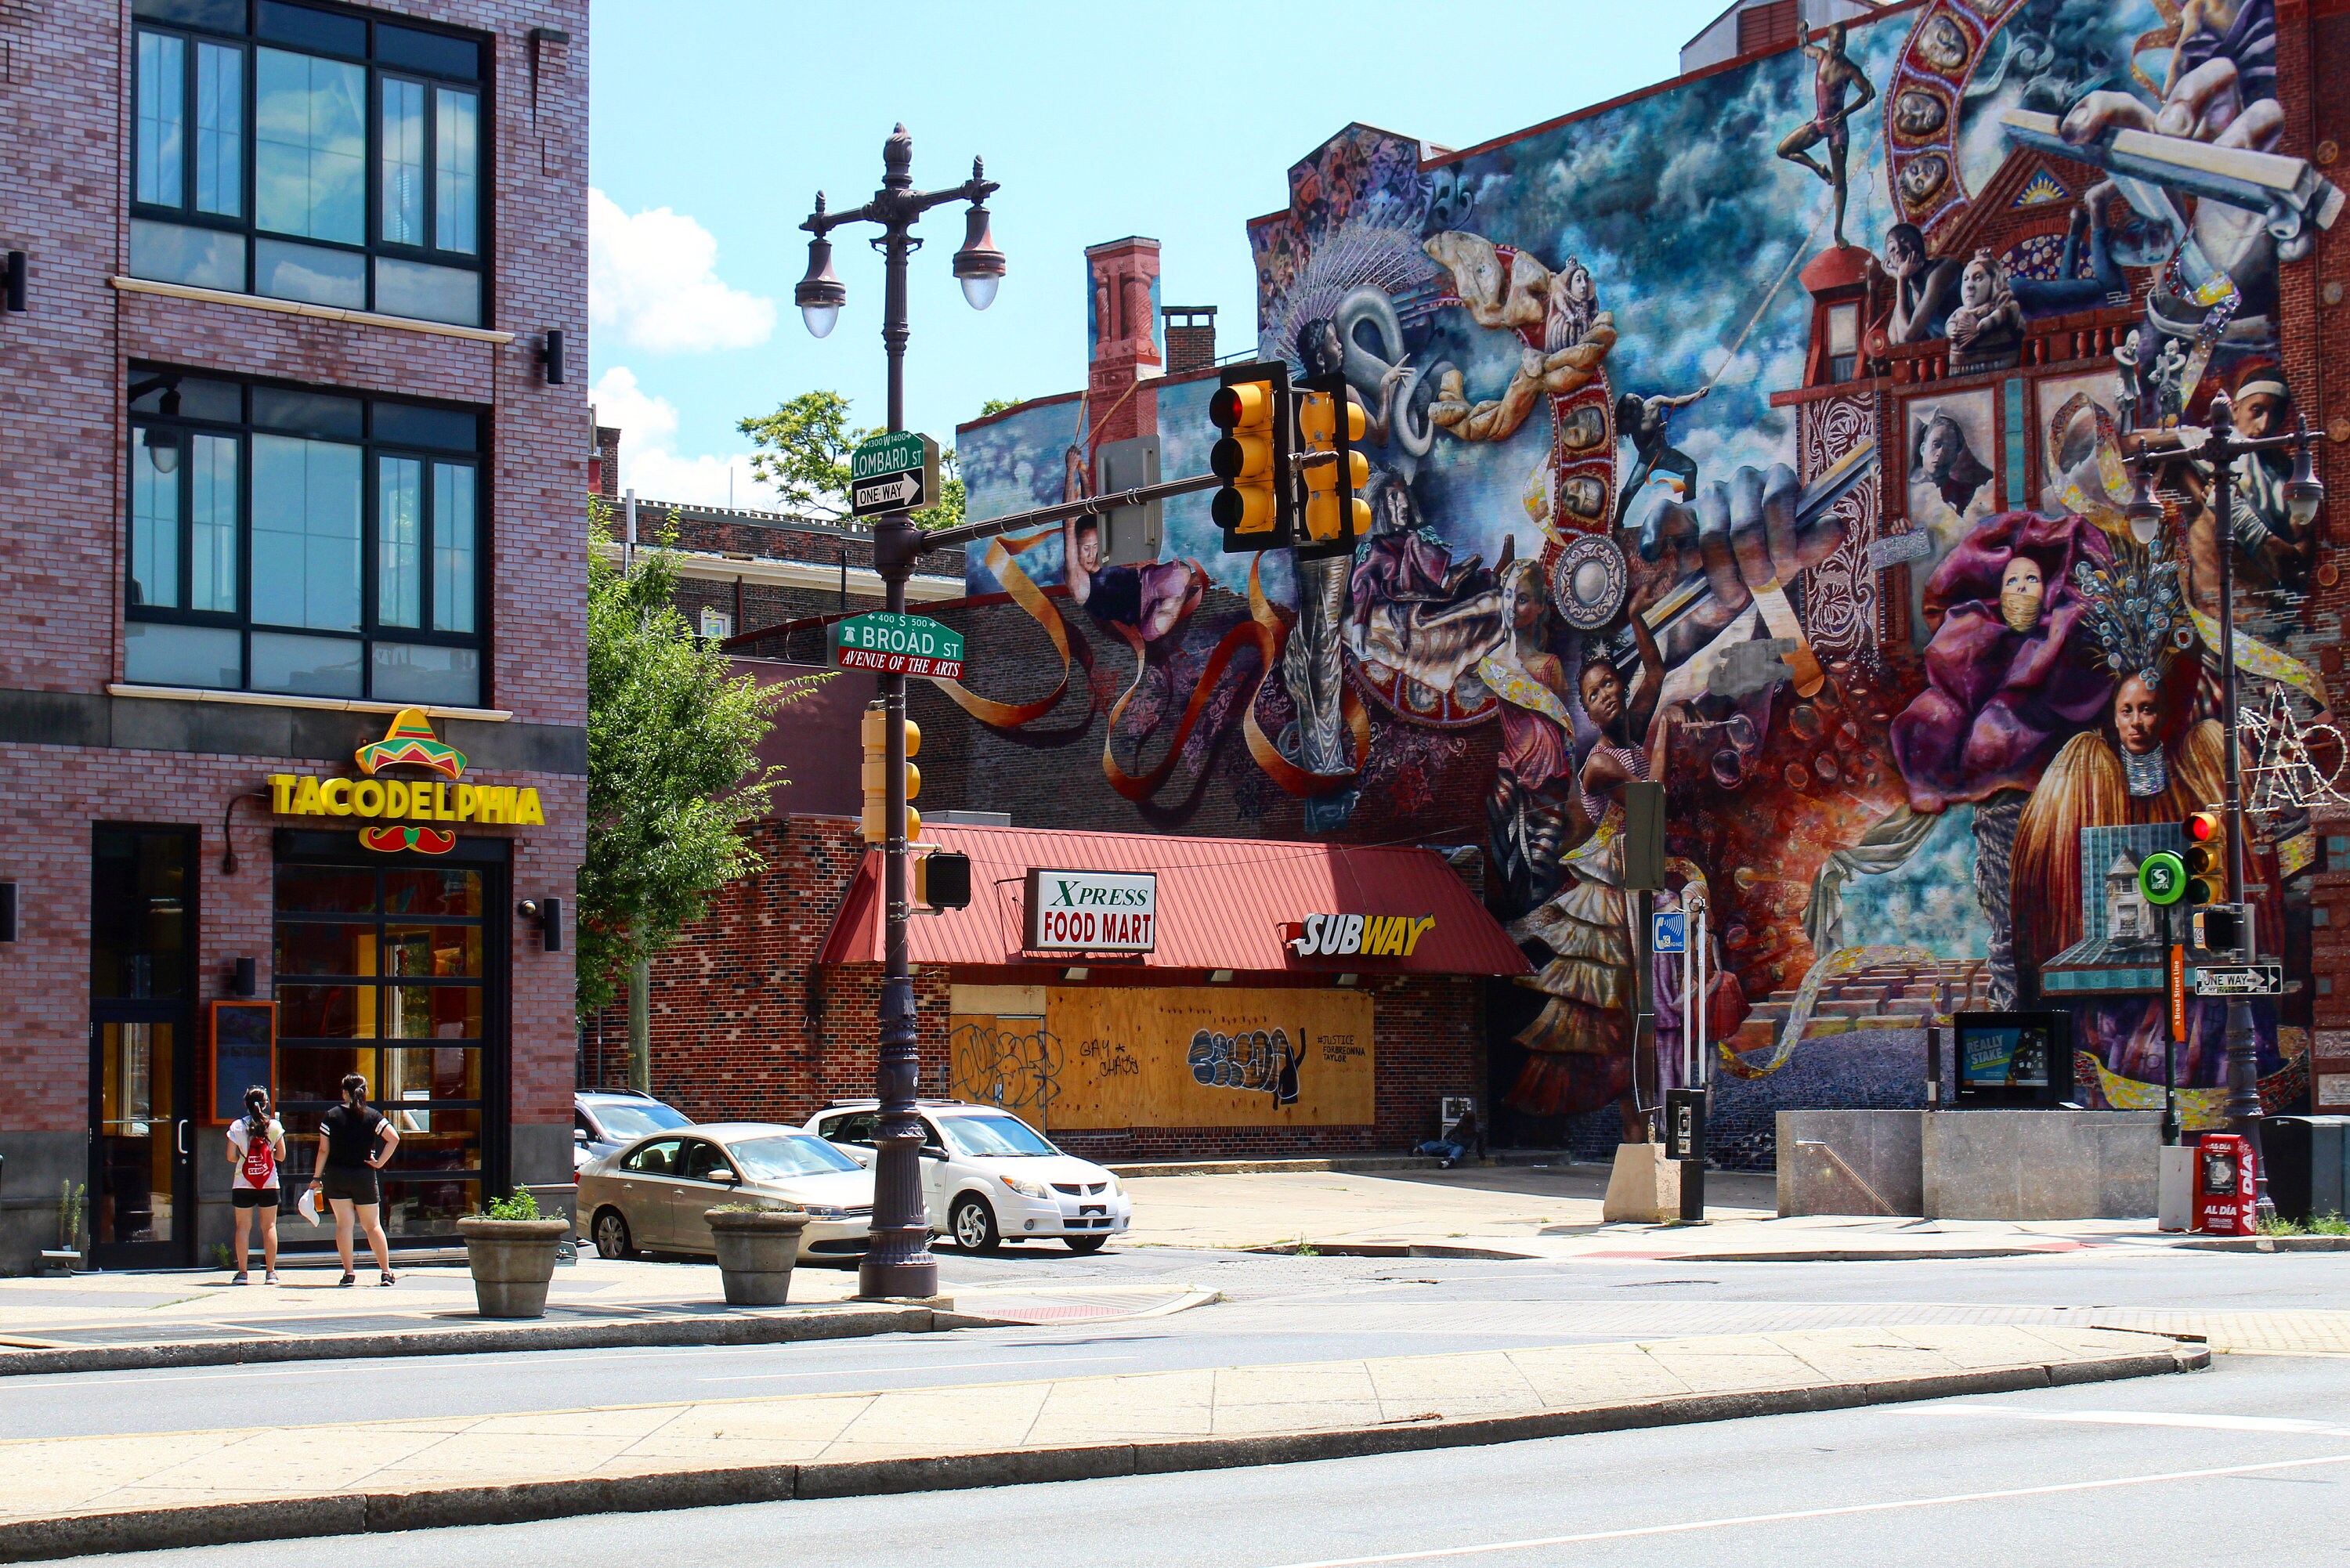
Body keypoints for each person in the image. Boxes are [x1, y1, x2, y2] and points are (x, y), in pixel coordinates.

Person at [1777, 22, 1877, 247]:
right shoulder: (1821, 56)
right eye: (1834, 45)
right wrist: (1802, 31)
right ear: (1829, 42)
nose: (1838, 49)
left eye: (1841, 45)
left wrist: (1846, 112)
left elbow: (1870, 91)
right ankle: (1818, 168)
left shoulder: (1849, 69)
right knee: (1783, 150)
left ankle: (1838, 233)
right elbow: (1804, 47)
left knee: (1840, 182)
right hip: (1820, 122)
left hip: (1837, 129)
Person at [309, 1073, 400, 1286]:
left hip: (336, 1175)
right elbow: (394, 1138)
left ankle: (349, 1273)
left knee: (344, 1225)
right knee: (373, 1226)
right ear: (365, 1091)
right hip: (364, 1176)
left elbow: (323, 1150)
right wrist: (379, 1163)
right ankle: (386, 1273)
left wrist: (316, 1177)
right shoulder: (372, 1115)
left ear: (344, 1092)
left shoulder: (331, 1116)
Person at [224, 1086, 284, 1285]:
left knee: (243, 1227)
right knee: (269, 1226)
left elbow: (230, 1157)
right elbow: (282, 1156)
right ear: (266, 1104)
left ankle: (242, 1273)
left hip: (243, 1182)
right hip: (269, 1182)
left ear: (246, 1105)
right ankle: (271, 1273)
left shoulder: (237, 1127)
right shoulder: (274, 1126)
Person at [1415, 1104, 1479, 1169]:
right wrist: (1446, 1139)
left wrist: (1480, 1152)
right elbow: (1452, 1131)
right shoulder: (1461, 1124)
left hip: (1460, 1147)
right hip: (1450, 1143)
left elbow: (1480, 1140)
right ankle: (1420, 1149)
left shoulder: (1478, 1129)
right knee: (1434, 1144)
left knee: (1458, 1150)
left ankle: (1448, 1161)